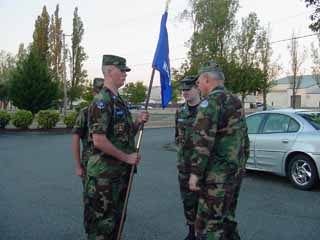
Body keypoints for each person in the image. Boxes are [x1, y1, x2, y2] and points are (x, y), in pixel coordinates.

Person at [85, 54, 149, 240]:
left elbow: (123, 136)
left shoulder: (117, 100)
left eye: (125, 71)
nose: (125, 74)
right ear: (110, 71)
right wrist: (127, 158)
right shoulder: (102, 101)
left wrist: (137, 122)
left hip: (118, 174)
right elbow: (99, 140)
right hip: (104, 176)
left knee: (116, 221)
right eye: (122, 70)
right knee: (102, 226)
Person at [188, 61, 249, 240]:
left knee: (208, 226)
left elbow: (203, 141)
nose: (197, 85)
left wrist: (195, 174)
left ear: (207, 79)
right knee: (227, 219)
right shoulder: (236, 101)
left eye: (198, 81)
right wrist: (241, 165)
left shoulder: (211, 103)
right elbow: (244, 139)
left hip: (216, 176)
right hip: (234, 172)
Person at [71, 77, 104, 235]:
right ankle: (90, 232)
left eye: (103, 90)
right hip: (89, 164)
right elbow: (76, 138)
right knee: (90, 200)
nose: (101, 94)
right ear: (93, 92)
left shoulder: (109, 110)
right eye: (98, 90)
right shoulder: (85, 112)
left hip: (108, 166)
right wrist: (78, 166)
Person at [175, 76, 201, 240]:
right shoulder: (180, 111)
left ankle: (203, 233)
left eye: (188, 89)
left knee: (205, 202)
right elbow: (177, 137)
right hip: (184, 166)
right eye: (183, 90)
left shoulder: (207, 110)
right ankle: (191, 232)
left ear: (197, 88)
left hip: (203, 166)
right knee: (188, 201)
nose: (184, 92)